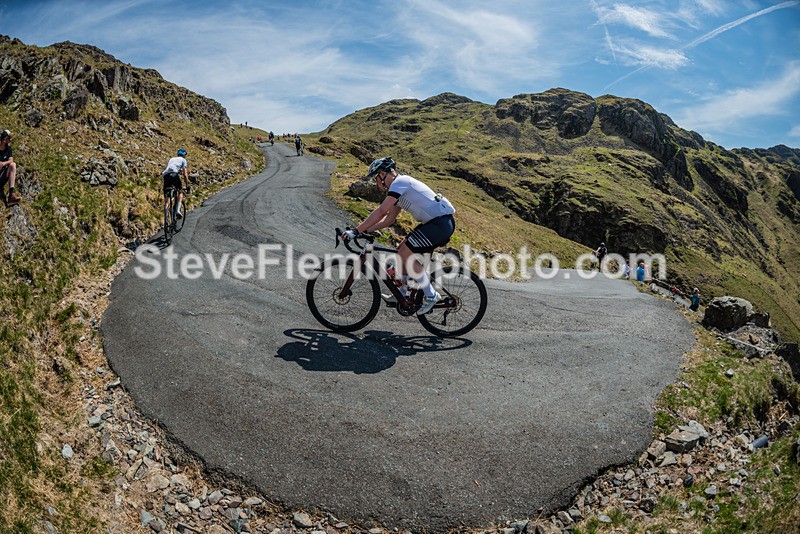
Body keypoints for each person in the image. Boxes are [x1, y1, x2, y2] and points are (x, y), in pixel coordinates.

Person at [343, 157, 456, 315]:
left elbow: (381, 211)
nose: (377, 183)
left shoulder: (400, 183)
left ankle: (431, 295)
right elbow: (389, 219)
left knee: (405, 253)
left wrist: (356, 230)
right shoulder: (398, 189)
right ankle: (402, 293)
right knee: (401, 249)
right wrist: (364, 231)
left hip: (440, 224)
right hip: (434, 224)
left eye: (376, 179)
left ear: (383, 174)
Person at [162, 148, 190, 219]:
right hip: (174, 174)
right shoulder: (183, 160)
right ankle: (177, 210)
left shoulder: (171, 159)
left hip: (166, 176)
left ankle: (166, 219)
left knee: (167, 198)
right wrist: (187, 186)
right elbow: (185, 174)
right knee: (180, 192)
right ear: (184, 155)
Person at [0, 130, 20, 206]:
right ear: (4, 140)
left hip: (2, 176)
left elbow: (11, 160)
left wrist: (3, 163)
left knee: (13, 165)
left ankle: (11, 195)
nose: (10, 140)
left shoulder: (8, 148)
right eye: (9, 138)